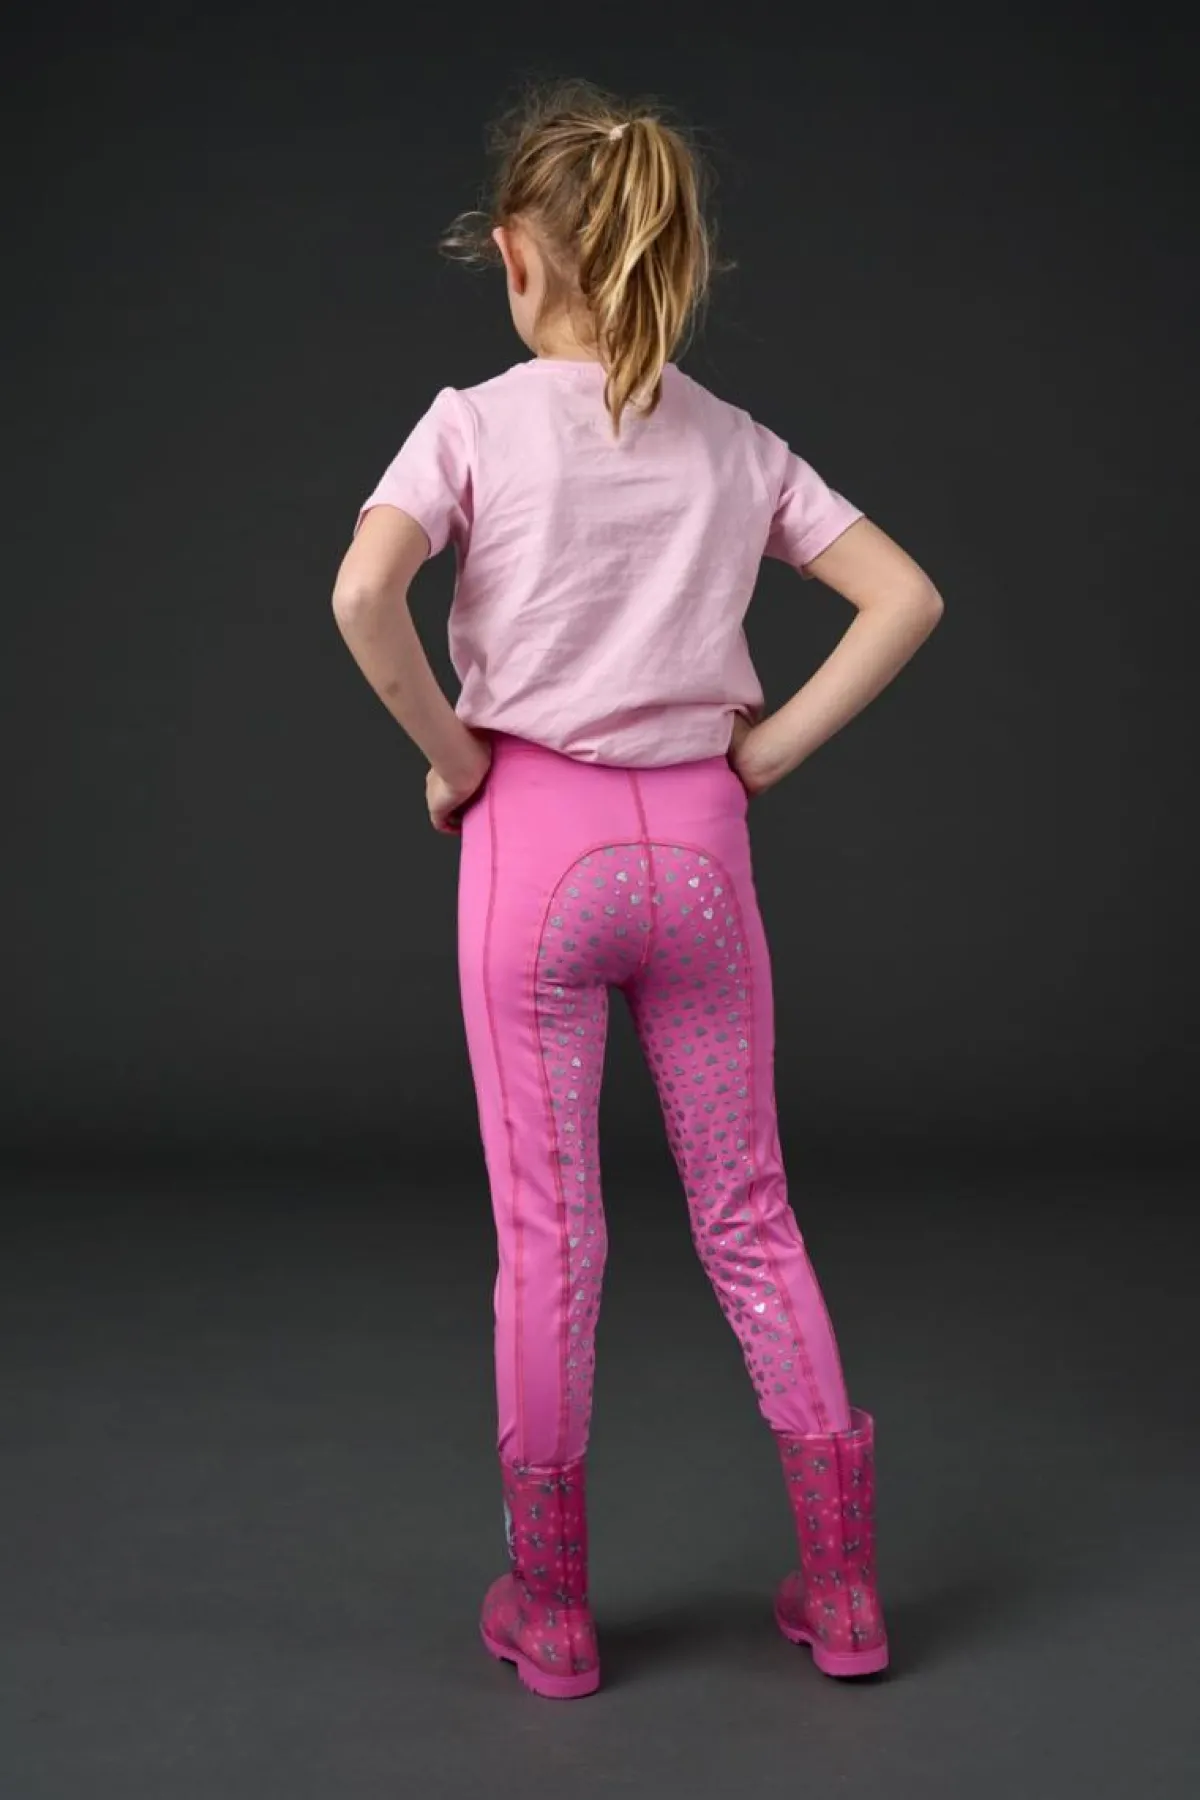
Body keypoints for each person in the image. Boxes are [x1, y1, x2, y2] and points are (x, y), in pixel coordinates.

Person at [331, 79, 944, 1701]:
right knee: (750, 1212)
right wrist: (767, 751)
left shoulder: (473, 422)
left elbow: (364, 591)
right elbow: (904, 595)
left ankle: (552, 1610)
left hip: (534, 857)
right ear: (670, 255)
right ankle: (846, 1590)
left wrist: (455, 757)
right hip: (703, 863)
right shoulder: (734, 440)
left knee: (553, 1236)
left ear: (517, 256)